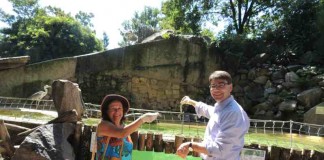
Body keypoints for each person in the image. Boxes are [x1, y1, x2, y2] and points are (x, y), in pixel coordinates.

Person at [176, 70, 250, 160]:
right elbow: (208, 110)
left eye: (221, 85)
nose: (216, 89)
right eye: (213, 86)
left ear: (230, 87)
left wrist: (190, 145)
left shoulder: (232, 113)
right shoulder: (223, 107)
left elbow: (220, 149)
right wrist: (191, 102)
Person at [95, 94, 159, 160]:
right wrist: (143, 119)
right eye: (113, 108)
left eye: (119, 108)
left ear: (123, 110)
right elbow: (121, 133)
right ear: (106, 111)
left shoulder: (125, 128)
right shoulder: (102, 125)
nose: (117, 111)